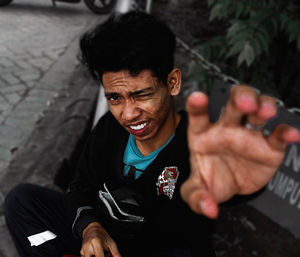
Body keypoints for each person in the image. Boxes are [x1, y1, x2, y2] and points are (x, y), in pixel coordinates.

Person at [4, 11, 300, 257]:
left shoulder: (198, 146)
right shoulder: (109, 128)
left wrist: (242, 183)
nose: (129, 114)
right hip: (104, 240)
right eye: (115, 98)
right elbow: (79, 188)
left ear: (172, 83)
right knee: (22, 200)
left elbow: (224, 180)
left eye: (141, 95)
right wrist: (90, 228)